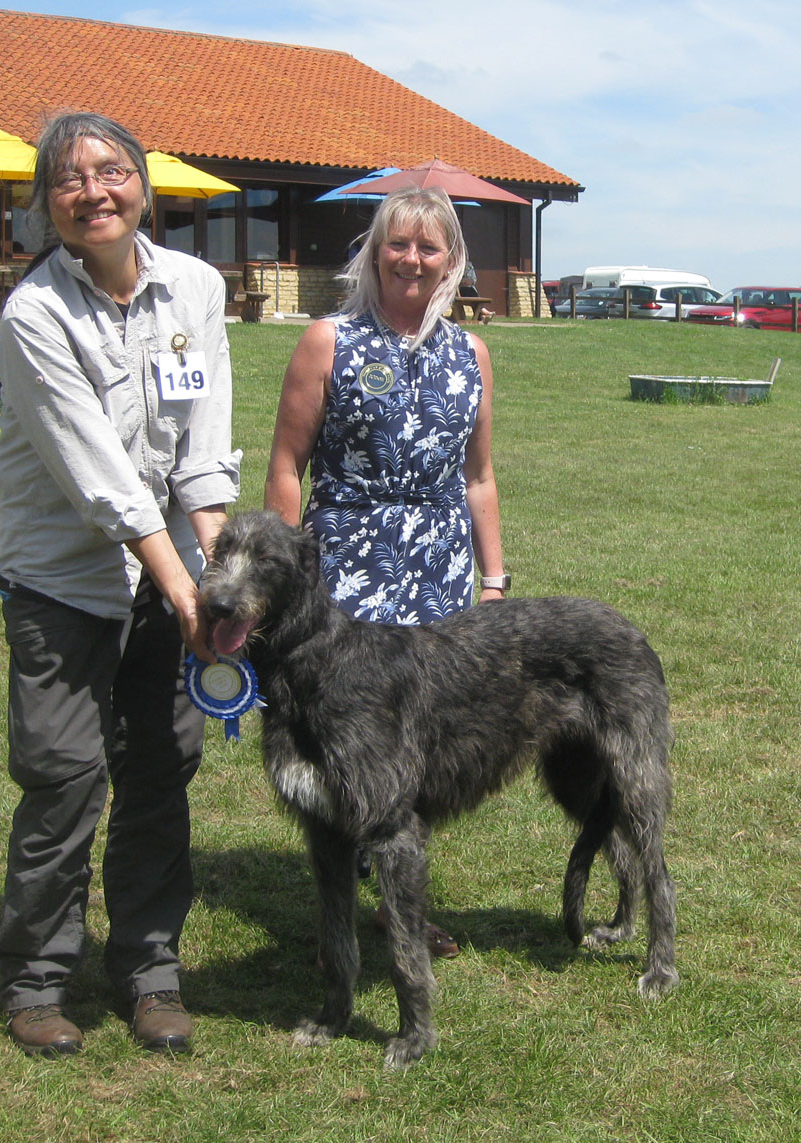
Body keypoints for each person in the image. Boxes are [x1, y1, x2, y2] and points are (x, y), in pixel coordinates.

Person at [0, 111, 240, 1059]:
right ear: (49, 203)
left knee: (164, 770)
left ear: (142, 186)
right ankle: (38, 979)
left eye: (111, 170)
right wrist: (183, 589)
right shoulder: (34, 314)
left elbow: (203, 456)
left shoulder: (198, 289)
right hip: (63, 576)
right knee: (63, 776)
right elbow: (103, 481)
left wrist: (221, 582)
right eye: (70, 179)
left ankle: (150, 972)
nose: (94, 191)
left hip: (167, 565)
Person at [264, 186, 508, 958]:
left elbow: (479, 476)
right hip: (345, 561)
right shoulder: (327, 340)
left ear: (452, 261)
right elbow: (286, 464)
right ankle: (348, 889)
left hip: (439, 564)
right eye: (397, 243)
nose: (411, 259)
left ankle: (395, 899)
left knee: (421, 736)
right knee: (344, 730)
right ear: (374, 252)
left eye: (428, 247)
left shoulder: (470, 354)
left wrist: (494, 580)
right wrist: (281, 574)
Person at [461, 259, 495, 324]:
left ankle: (483, 317)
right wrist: (462, 281)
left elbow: (474, 279)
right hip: (459, 291)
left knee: (474, 298)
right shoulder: (454, 264)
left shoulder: (469, 264)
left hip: (469, 290)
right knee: (473, 294)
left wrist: (468, 281)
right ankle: (484, 312)